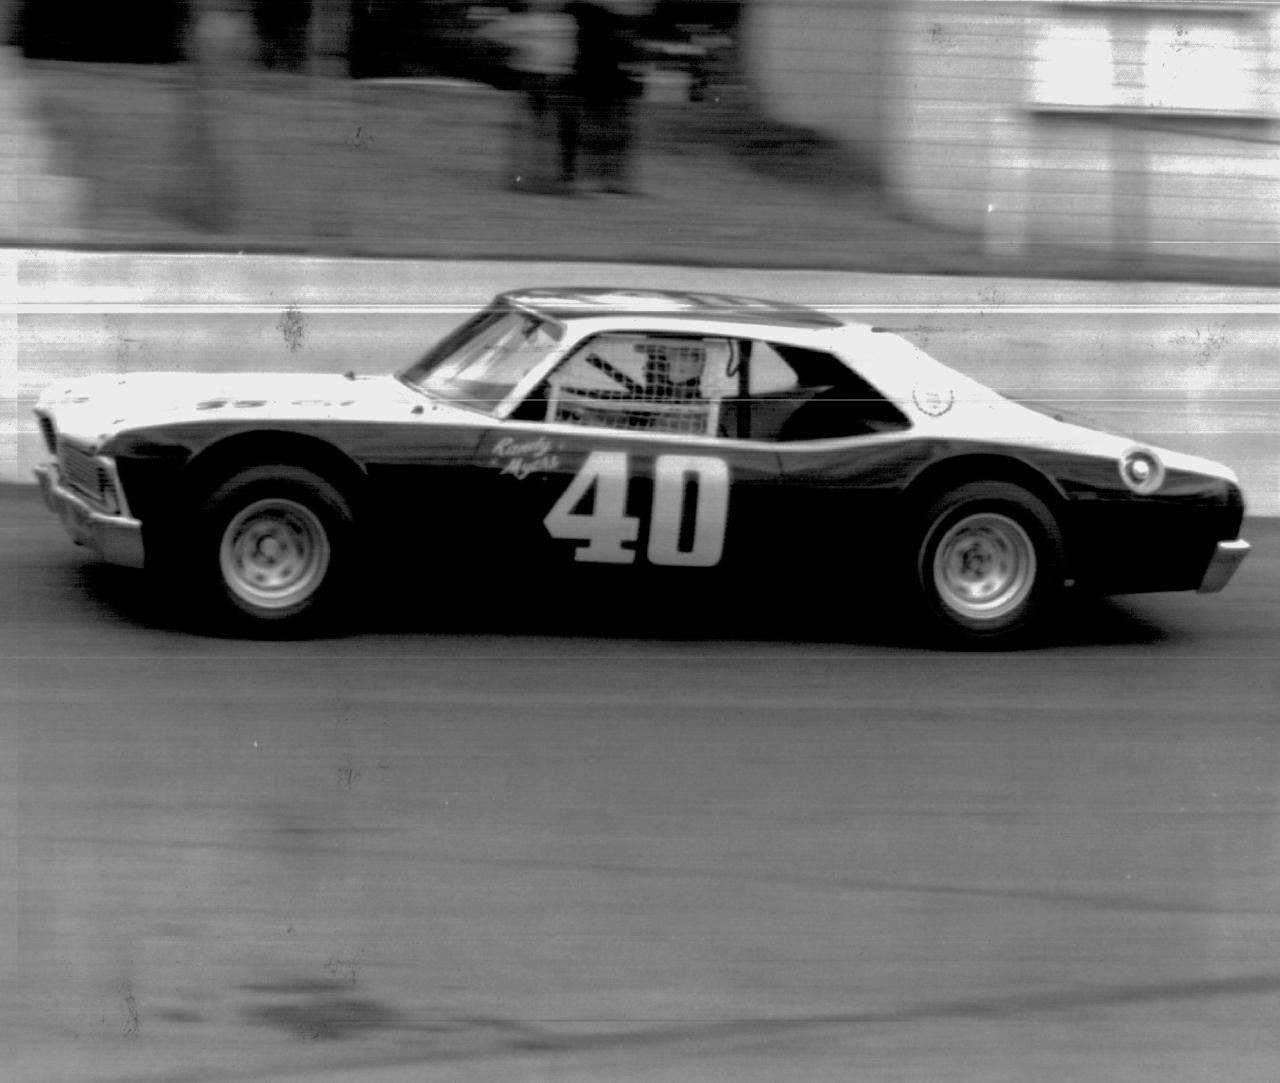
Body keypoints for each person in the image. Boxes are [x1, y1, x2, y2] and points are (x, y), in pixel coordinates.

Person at [480, 1, 578, 194]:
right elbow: (489, 33)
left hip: (546, 78)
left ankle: (534, 178)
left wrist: (520, 48)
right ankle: (540, 178)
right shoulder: (560, 21)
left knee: (539, 131)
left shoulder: (552, 21)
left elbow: (489, 33)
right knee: (543, 131)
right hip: (541, 78)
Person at [564, 0, 647, 195]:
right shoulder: (597, 18)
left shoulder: (602, 19)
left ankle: (605, 177)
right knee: (603, 129)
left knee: (607, 130)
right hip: (598, 79)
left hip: (604, 79)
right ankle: (604, 177)